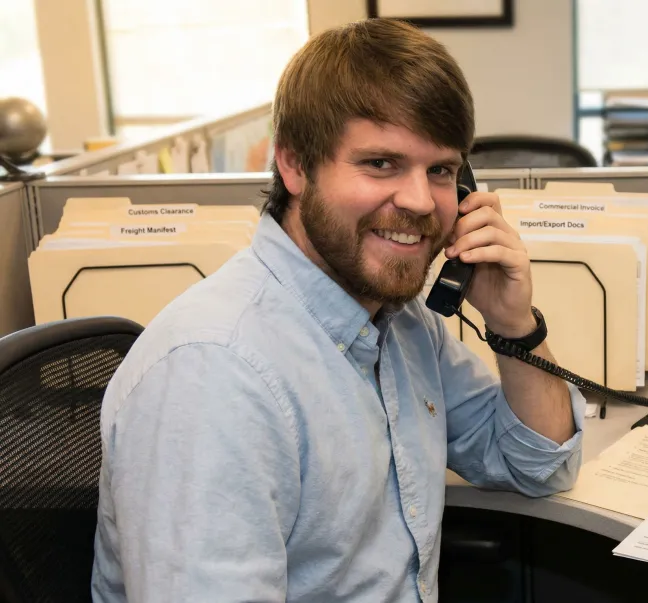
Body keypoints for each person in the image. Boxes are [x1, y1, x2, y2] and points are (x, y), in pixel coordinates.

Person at [91, 18, 585, 603]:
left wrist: (512, 326)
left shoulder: (395, 321)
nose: (422, 202)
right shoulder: (216, 376)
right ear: (295, 166)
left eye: (442, 170)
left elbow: (537, 465)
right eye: (381, 163)